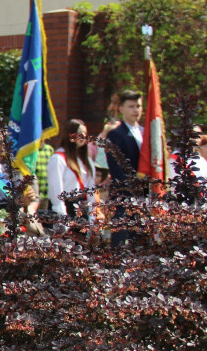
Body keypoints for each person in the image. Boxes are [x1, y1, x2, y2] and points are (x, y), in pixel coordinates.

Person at [105, 89, 144, 247]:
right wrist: (133, 185)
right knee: (120, 241)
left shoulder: (146, 132)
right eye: (131, 106)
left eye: (139, 106)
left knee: (140, 242)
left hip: (143, 196)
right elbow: (116, 168)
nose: (136, 110)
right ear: (121, 109)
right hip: (123, 195)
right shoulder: (115, 134)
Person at [46, 119, 97, 219]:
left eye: (85, 133)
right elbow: (56, 190)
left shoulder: (87, 161)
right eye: (79, 133)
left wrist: (92, 215)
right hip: (66, 208)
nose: (83, 137)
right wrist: (62, 216)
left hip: (82, 208)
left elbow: (91, 191)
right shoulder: (58, 159)